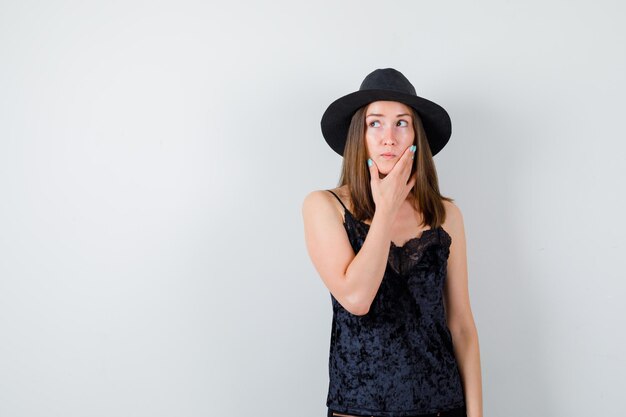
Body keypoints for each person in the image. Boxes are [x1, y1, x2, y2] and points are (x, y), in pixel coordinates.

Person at [302, 68, 483, 417]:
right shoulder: (324, 206)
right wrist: (385, 208)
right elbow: (357, 299)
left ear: (416, 135)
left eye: (401, 123)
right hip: (358, 407)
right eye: (375, 123)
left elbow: (461, 325)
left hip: (442, 405)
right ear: (360, 134)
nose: (389, 137)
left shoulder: (446, 215)